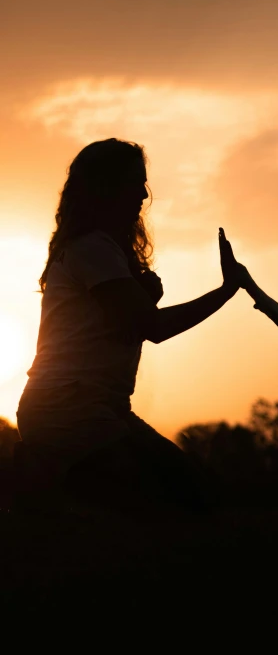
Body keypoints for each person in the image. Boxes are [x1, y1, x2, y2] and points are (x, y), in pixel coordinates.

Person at [15, 138, 241, 512]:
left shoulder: (102, 249)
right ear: (105, 187)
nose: (143, 193)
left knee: (197, 494)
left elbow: (126, 321)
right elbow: (152, 327)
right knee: (176, 502)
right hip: (67, 410)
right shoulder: (92, 248)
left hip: (100, 409)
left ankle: (49, 478)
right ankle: (46, 486)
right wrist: (227, 290)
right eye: (134, 182)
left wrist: (144, 295)